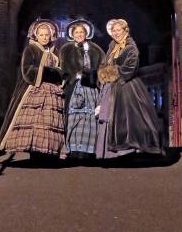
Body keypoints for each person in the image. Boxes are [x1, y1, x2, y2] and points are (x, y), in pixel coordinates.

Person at [95, 18, 164, 158]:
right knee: (107, 116)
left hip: (125, 86)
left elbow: (130, 68)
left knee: (125, 117)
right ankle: (107, 153)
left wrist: (112, 72)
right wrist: (104, 73)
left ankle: (125, 151)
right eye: (113, 31)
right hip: (109, 87)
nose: (116, 33)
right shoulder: (111, 48)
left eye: (118, 30)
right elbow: (103, 65)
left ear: (125, 30)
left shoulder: (131, 48)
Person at [0, 20, 65, 161]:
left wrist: (57, 73)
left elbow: (60, 70)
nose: (44, 38)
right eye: (41, 35)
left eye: (47, 35)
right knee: (34, 121)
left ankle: (47, 151)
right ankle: (33, 152)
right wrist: (47, 72)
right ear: (36, 35)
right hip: (34, 88)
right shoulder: (30, 49)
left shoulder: (55, 51)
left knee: (48, 122)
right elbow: (26, 70)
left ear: (51, 35)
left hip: (52, 91)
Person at [60, 18, 105, 162]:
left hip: (91, 87)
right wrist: (74, 76)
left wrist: (95, 79)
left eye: (81, 32)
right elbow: (63, 69)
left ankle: (89, 152)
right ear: (72, 34)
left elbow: (102, 68)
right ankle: (73, 151)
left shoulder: (96, 49)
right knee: (74, 118)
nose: (79, 34)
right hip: (74, 86)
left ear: (86, 34)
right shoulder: (66, 49)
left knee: (90, 119)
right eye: (76, 32)